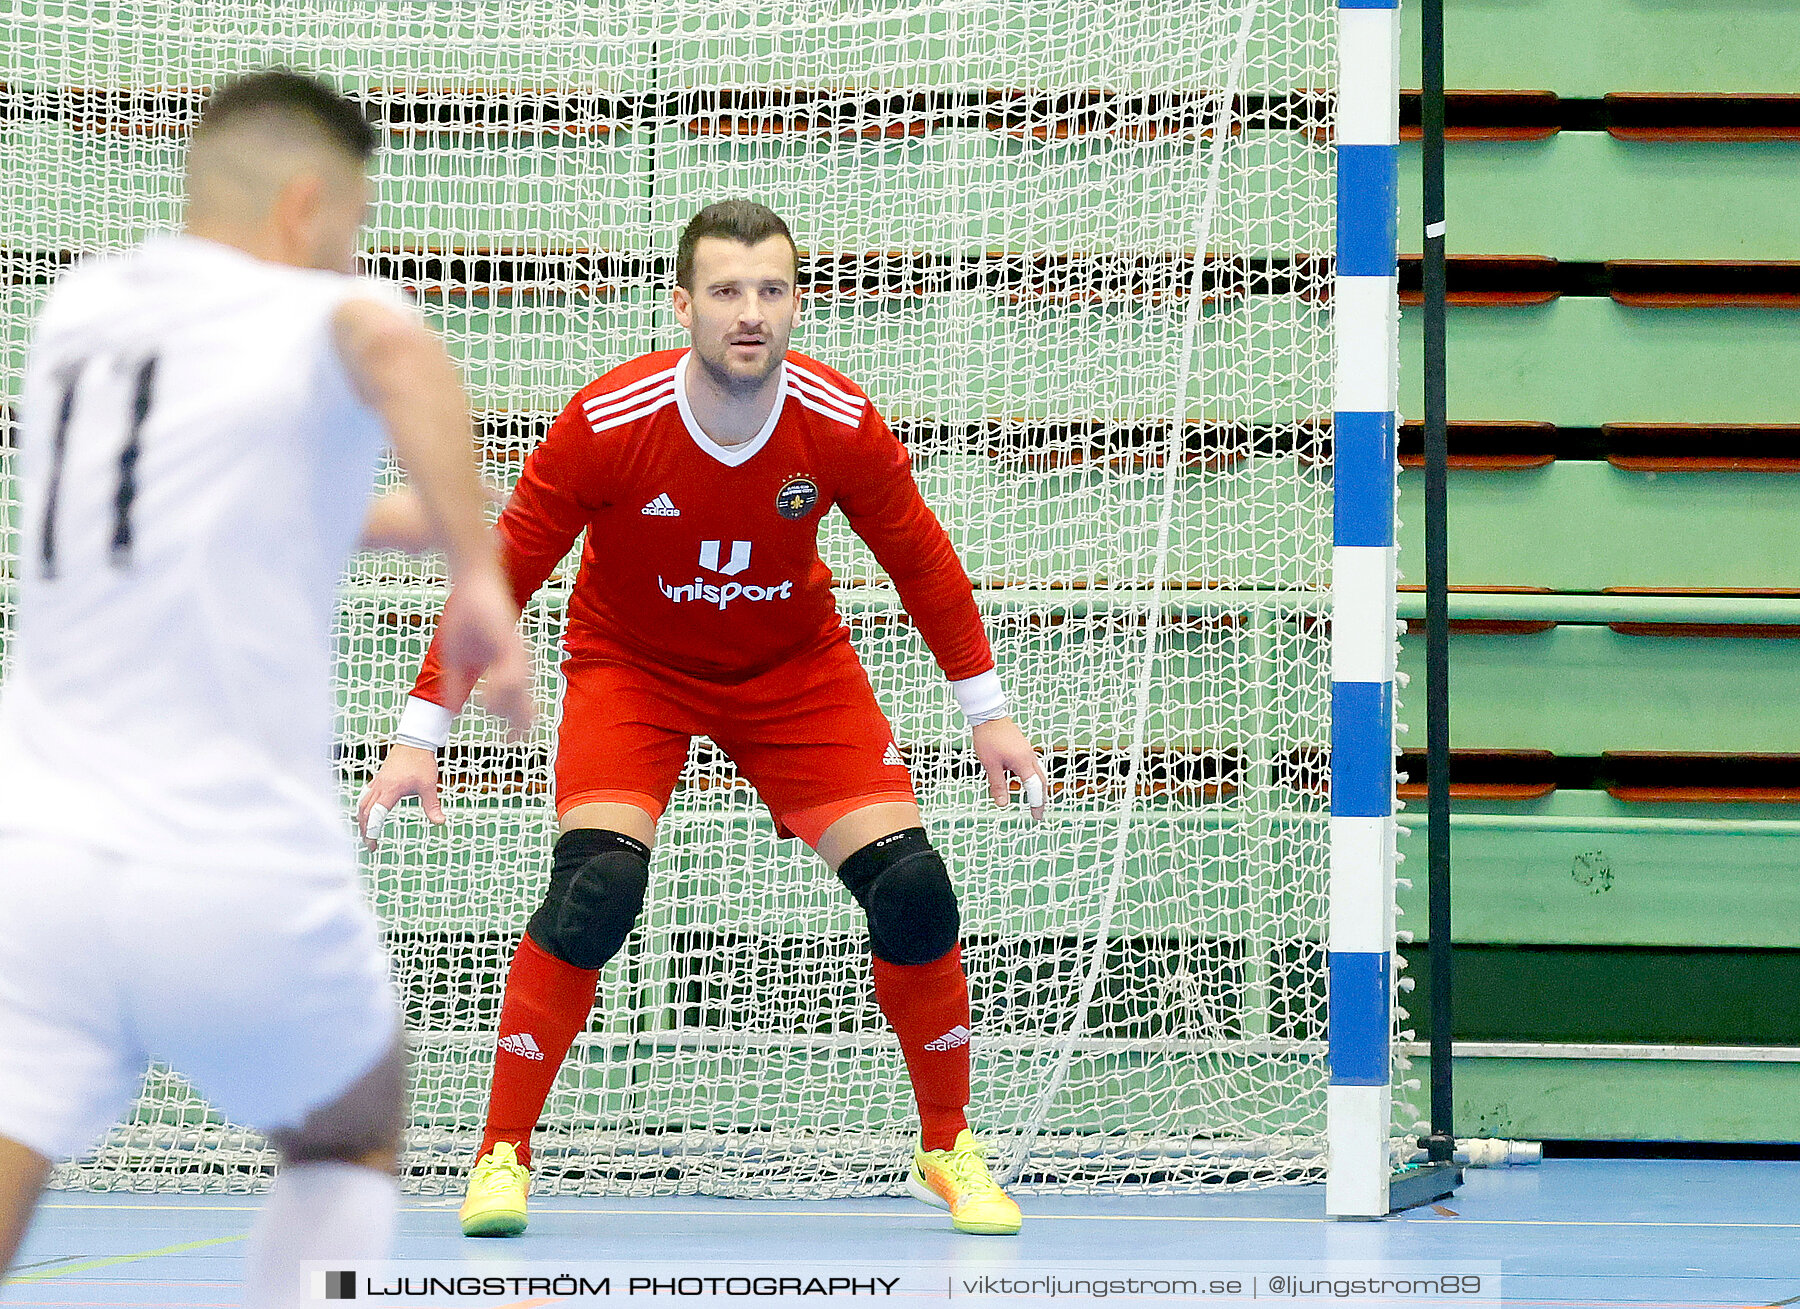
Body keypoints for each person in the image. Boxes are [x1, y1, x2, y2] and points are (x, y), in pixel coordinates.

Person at [358, 199, 1048, 1240]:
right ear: (683, 303)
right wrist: (420, 733)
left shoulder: (841, 420)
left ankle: (947, 1146)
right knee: (597, 886)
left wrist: (987, 712)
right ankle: (503, 1151)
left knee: (915, 889)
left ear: (798, 304)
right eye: (726, 290)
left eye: (771, 290)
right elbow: (507, 570)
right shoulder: (607, 422)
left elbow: (923, 560)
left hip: (791, 668)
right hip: (632, 668)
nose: (750, 313)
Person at [0, 70, 535, 1303]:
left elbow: (194, 504)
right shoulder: (316, 312)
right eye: (353, 222)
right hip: (230, 867)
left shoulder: (80, 311)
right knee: (350, 1127)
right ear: (308, 203)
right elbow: (394, 349)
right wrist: (476, 571)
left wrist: (382, 523)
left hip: (38, 869)